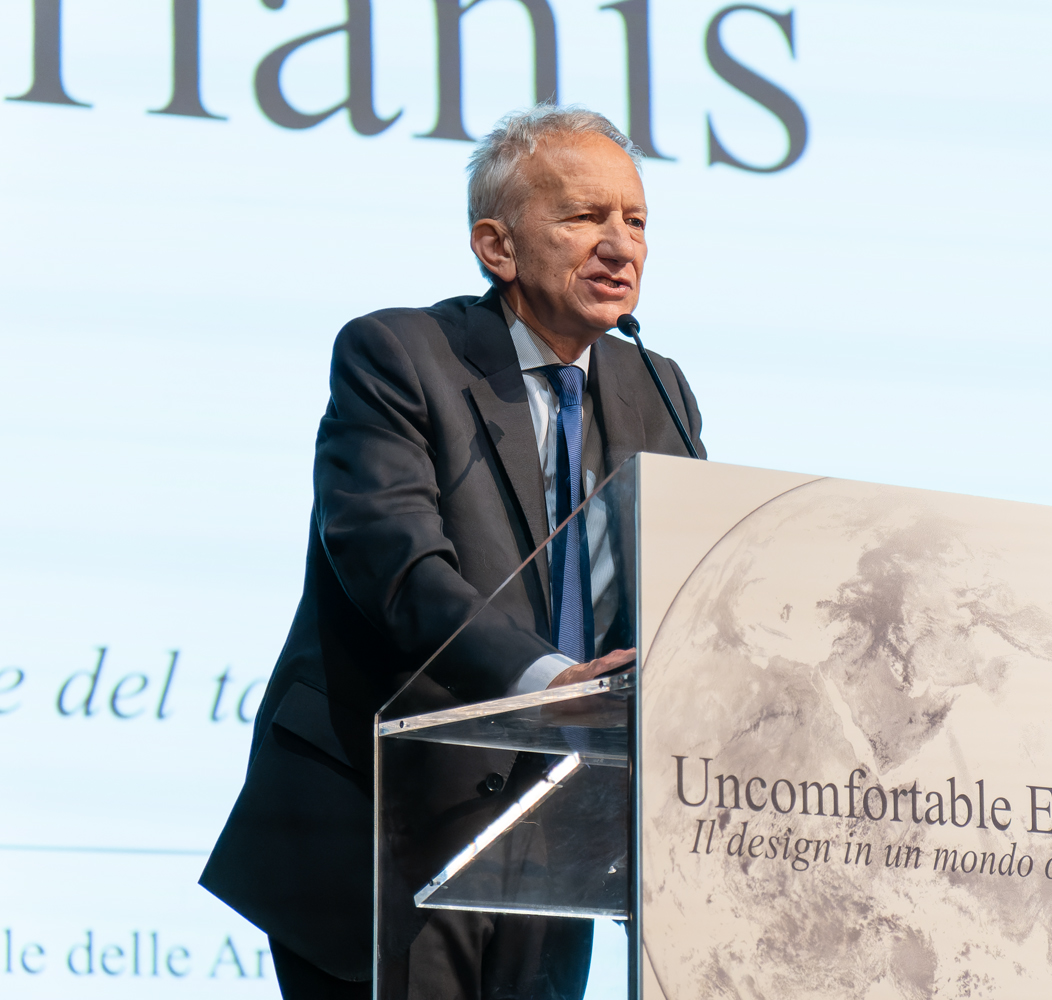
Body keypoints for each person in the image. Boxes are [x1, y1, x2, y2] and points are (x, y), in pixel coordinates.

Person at [200, 104, 705, 1000]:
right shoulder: (398, 353)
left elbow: (689, 590)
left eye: (636, 221)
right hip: (384, 819)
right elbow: (392, 565)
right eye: (585, 217)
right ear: (497, 246)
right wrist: (548, 680)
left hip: (555, 835)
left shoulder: (656, 388)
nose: (620, 246)